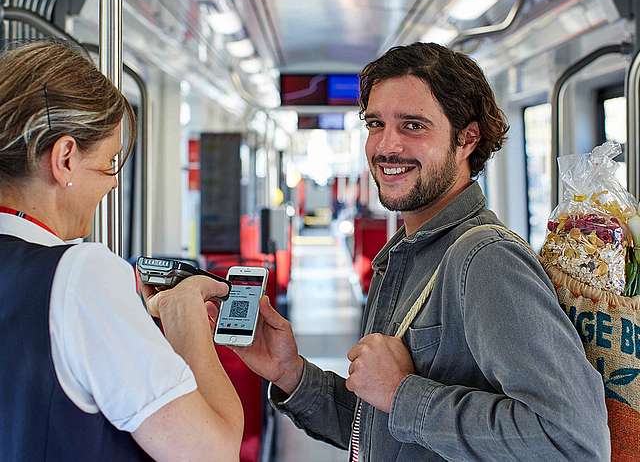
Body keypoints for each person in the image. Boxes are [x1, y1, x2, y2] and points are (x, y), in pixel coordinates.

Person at [233, 42, 610, 461]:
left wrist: (401, 393)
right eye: (376, 123)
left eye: (413, 125)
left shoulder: (485, 260)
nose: (385, 147)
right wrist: (291, 373)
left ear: (467, 138)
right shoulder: (406, 254)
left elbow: (572, 442)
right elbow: (380, 431)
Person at [0, 41, 243, 461]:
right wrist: (186, 321)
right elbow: (212, 451)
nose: (114, 184)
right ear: (65, 158)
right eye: (110, 162)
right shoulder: (81, 274)